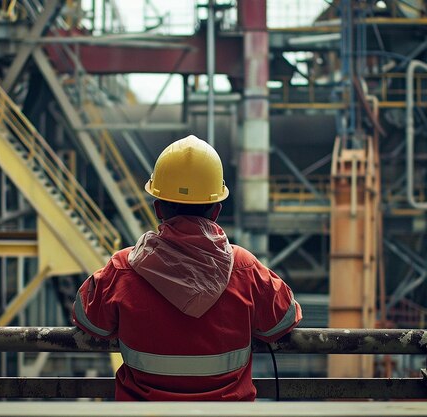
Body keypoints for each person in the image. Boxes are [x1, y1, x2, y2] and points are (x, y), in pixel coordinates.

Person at [72, 135, 302, 401]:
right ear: (216, 211)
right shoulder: (244, 268)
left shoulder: (123, 268)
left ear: (158, 208)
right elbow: (284, 320)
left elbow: (87, 319)